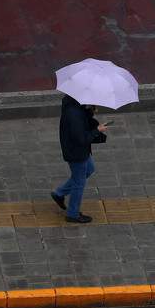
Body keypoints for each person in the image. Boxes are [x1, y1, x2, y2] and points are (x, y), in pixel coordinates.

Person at [51, 95, 108, 224]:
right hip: (76, 152)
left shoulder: (74, 104)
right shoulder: (74, 115)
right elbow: (82, 138)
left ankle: (59, 193)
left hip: (77, 150)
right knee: (79, 183)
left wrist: (90, 110)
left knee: (89, 169)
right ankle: (73, 214)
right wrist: (97, 130)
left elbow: (84, 124)